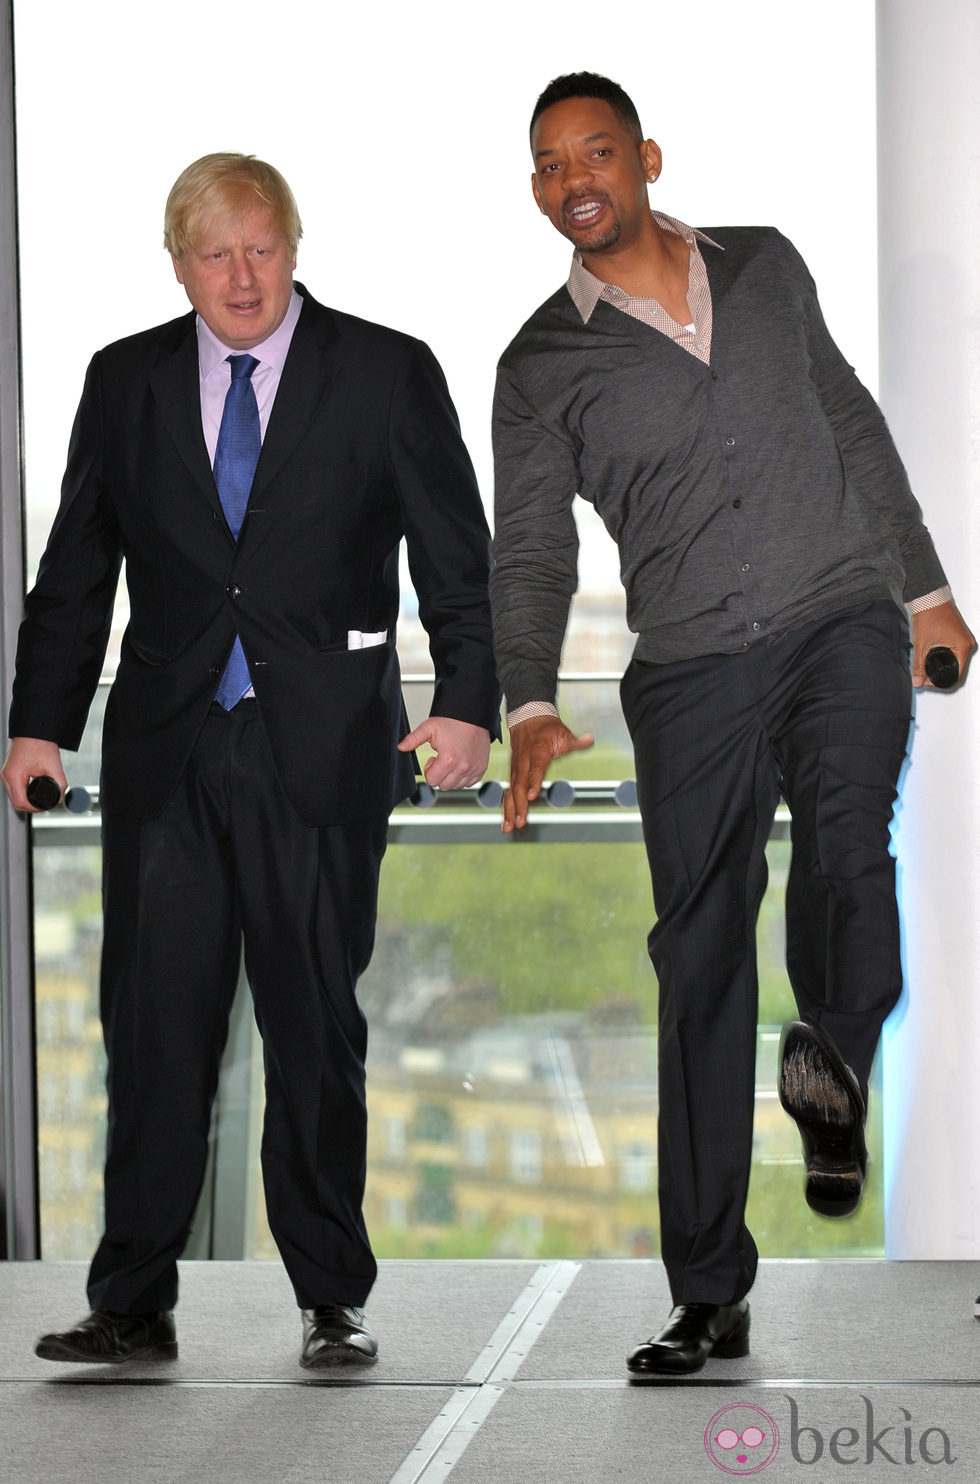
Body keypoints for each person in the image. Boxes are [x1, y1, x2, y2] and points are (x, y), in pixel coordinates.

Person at [489, 72, 974, 1377]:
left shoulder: (765, 267)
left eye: (595, 148)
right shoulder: (543, 365)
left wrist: (924, 588)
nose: (575, 176)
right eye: (548, 163)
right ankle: (710, 1293)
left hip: (840, 620)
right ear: (538, 188)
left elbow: (848, 419)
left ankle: (833, 1060)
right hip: (693, 668)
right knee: (699, 965)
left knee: (848, 844)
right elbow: (529, 547)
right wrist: (530, 697)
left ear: (644, 155)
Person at [2, 153, 499, 1369]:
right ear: (177, 262)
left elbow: (455, 561)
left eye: (261, 248)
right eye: (215, 253)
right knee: (152, 1031)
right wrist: (37, 723)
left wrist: (468, 705)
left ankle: (332, 1293)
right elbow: (76, 572)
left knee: (313, 1031)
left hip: (324, 754)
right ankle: (129, 1297)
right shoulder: (123, 381)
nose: (241, 275)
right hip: (170, 753)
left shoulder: (384, 369)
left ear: (293, 246)